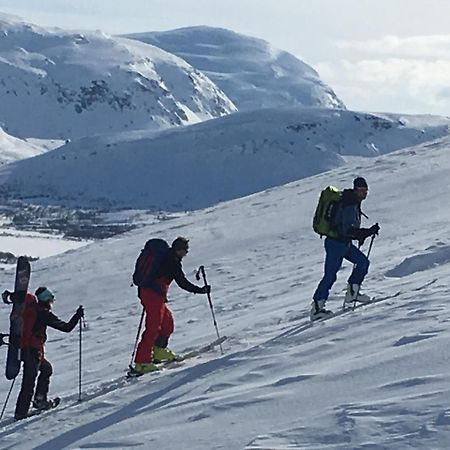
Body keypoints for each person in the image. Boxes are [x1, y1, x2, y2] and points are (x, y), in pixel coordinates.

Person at [132, 237, 210, 375]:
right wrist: (201, 290)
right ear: (179, 250)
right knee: (153, 327)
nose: (186, 254)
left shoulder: (166, 257)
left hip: (151, 294)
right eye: (185, 251)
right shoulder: (172, 261)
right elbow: (182, 282)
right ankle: (142, 363)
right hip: (152, 295)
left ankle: (159, 351)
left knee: (167, 323)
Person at [311, 177, 380, 321]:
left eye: (366, 190)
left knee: (362, 262)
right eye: (362, 190)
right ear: (356, 190)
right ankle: (317, 308)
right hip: (336, 244)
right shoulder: (349, 204)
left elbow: (349, 229)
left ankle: (353, 292)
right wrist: (366, 232)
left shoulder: (352, 202)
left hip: (343, 243)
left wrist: (362, 234)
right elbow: (347, 230)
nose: (364, 193)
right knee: (331, 275)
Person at [14, 287, 84, 420]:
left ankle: (40, 400)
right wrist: (77, 316)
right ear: (47, 300)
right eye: (51, 300)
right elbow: (66, 327)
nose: (51, 303)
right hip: (33, 351)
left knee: (46, 369)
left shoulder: (30, 309)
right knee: (29, 381)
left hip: (24, 349)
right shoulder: (43, 314)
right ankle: (22, 412)